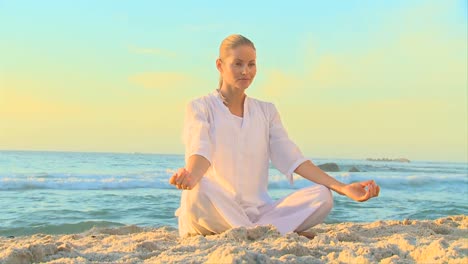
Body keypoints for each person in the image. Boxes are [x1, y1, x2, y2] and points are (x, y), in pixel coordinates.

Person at [169, 34, 380, 238]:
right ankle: (269, 232)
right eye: (238, 64)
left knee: (323, 196)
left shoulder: (266, 111)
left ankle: (254, 231)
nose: (246, 71)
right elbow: (200, 149)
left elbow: (293, 159)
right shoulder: (201, 107)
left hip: (261, 212)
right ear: (220, 65)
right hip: (217, 208)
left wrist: (342, 187)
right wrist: (192, 176)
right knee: (197, 191)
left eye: (251, 64)